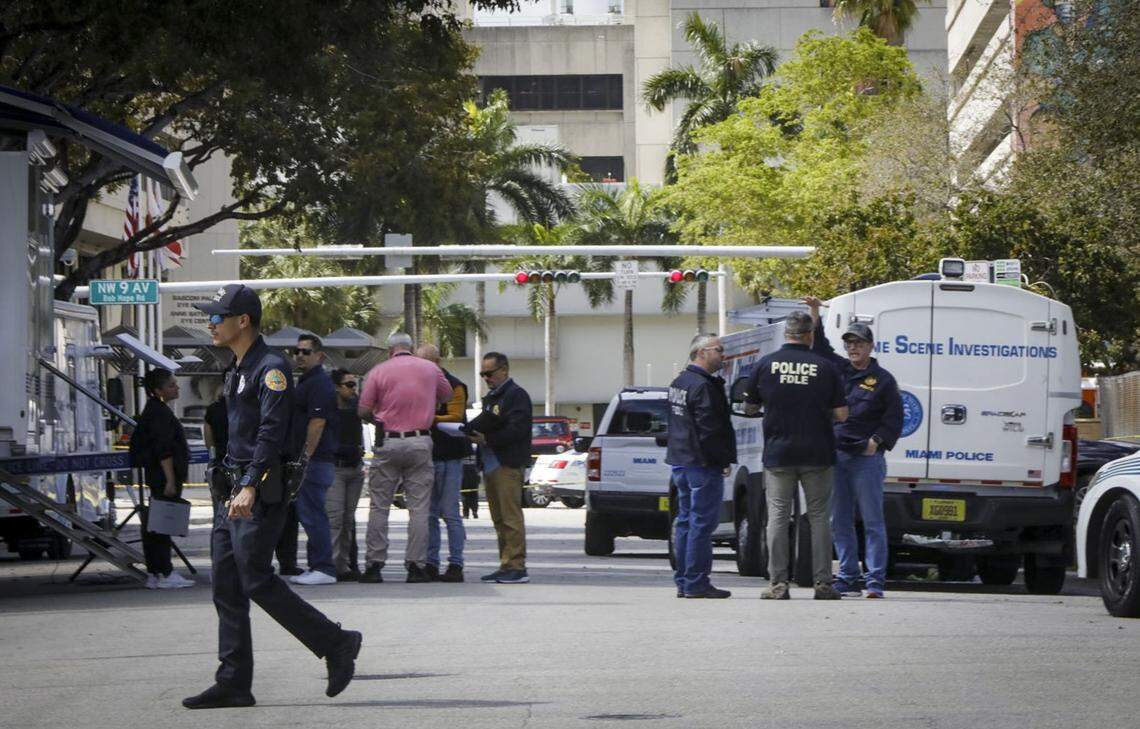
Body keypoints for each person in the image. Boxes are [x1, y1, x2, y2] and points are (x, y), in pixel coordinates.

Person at [183, 284, 360, 710]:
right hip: (232, 491)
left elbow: (272, 432)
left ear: (242, 321)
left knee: (256, 579)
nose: (210, 324)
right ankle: (233, 682)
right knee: (226, 587)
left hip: (257, 492)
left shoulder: (271, 368)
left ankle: (336, 642)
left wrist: (249, 485)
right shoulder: (240, 365)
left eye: (216, 317)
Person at [743, 310, 849, 601]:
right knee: (818, 518)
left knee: (776, 517)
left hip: (779, 454)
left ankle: (778, 585)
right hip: (818, 453)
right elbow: (841, 413)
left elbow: (750, 407)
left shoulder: (766, 365)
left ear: (786, 334)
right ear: (810, 335)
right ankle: (823, 585)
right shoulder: (825, 367)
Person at [806, 296, 903, 599]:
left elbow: (895, 418)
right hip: (837, 456)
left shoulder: (884, 380)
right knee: (840, 520)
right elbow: (819, 346)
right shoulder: (839, 370)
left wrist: (878, 442)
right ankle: (848, 577)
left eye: (858, 343)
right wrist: (814, 313)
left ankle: (875, 581)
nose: (853, 348)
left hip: (866, 459)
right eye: (849, 344)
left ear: (870, 346)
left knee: (873, 521)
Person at [357, 333, 453, 584]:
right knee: (419, 508)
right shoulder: (430, 369)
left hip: (388, 441)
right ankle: (416, 566)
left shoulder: (378, 371)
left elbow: (363, 409)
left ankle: (374, 565)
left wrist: (379, 419)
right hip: (420, 440)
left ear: (390, 350)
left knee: (379, 505)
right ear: (411, 348)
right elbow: (447, 396)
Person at [665, 334, 737, 599]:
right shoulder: (703, 386)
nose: (723, 354)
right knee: (701, 525)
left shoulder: (679, 382)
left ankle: (684, 581)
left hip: (681, 462)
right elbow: (710, 429)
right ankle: (696, 581)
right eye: (719, 349)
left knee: (685, 522)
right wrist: (721, 460)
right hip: (702, 464)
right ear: (702, 352)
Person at [281, 334, 340, 586]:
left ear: (319, 355)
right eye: (297, 351)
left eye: (306, 351)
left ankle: (323, 567)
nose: (300, 356)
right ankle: (317, 565)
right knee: (308, 513)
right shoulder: (306, 381)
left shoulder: (319, 383)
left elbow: (317, 422)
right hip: (309, 459)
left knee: (313, 513)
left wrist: (305, 456)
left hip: (314, 460)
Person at [468, 352, 532, 585]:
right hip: (491, 463)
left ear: (504, 370)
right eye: (483, 374)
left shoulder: (516, 395)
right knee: (499, 518)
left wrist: (487, 439)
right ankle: (506, 564)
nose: (486, 378)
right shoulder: (492, 397)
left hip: (507, 463)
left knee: (510, 517)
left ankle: (517, 566)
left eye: (490, 373)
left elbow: (517, 430)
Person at [130, 368, 194, 590]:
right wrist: (170, 480)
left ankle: (155, 572)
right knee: (163, 524)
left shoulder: (155, 410)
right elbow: (163, 449)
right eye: (171, 385)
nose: (176, 387)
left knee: (156, 525)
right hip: (163, 477)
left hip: (159, 477)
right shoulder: (159, 413)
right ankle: (164, 571)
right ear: (157, 390)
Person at [415, 344, 468, 582]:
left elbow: (456, 416)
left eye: (425, 363)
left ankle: (456, 564)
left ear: (437, 362)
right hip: (428, 454)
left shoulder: (455, 385)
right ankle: (431, 563)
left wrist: (426, 417)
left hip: (450, 456)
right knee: (429, 514)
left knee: (450, 513)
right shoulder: (418, 384)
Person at [327, 368, 365, 582]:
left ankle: (345, 565)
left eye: (355, 384)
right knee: (335, 519)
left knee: (348, 520)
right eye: (349, 385)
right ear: (336, 387)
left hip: (354, 468)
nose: (353, 389)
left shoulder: (355, 407)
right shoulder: (328, 411)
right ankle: (331, 565)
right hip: (336, 468)